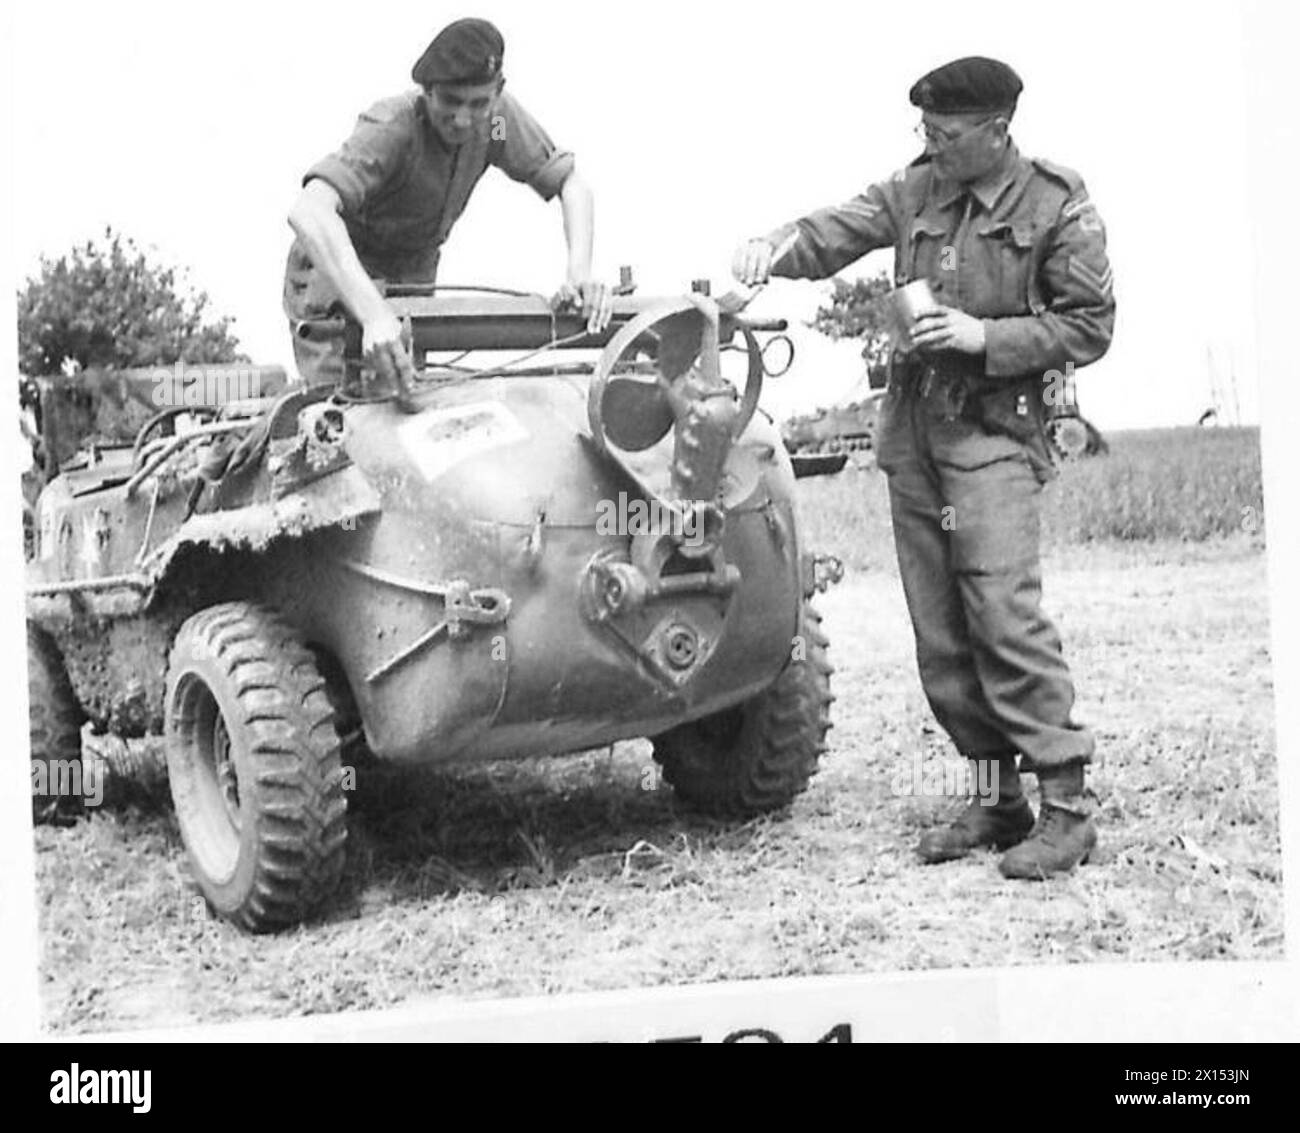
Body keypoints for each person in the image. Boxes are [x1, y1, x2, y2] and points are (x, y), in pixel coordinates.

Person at [732, 56, 1115, 878]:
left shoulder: (1055, 201)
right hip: (915, 436)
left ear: (997, 132)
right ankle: (995, 798)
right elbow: (838, 229)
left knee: (1003, 617)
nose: (931, 145)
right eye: (926, 133)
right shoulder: (916, 188)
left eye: (946, 133)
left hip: (996, 434)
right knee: (941, 632)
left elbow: (1090, 325)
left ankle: (1069, 810)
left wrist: (988, 338)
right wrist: (775, 246)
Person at [284, 17, 613, 394]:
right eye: (450, 102)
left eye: (478, 103)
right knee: (340, 420)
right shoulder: (394, 128)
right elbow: (309, 211)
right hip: (340, 280)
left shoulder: (496, 125)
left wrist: (579, 273)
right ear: (426, 91)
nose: (462, 119)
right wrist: (374, 314)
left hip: (412, 285)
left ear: (498, 91)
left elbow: (571, 183)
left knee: (405, 408)